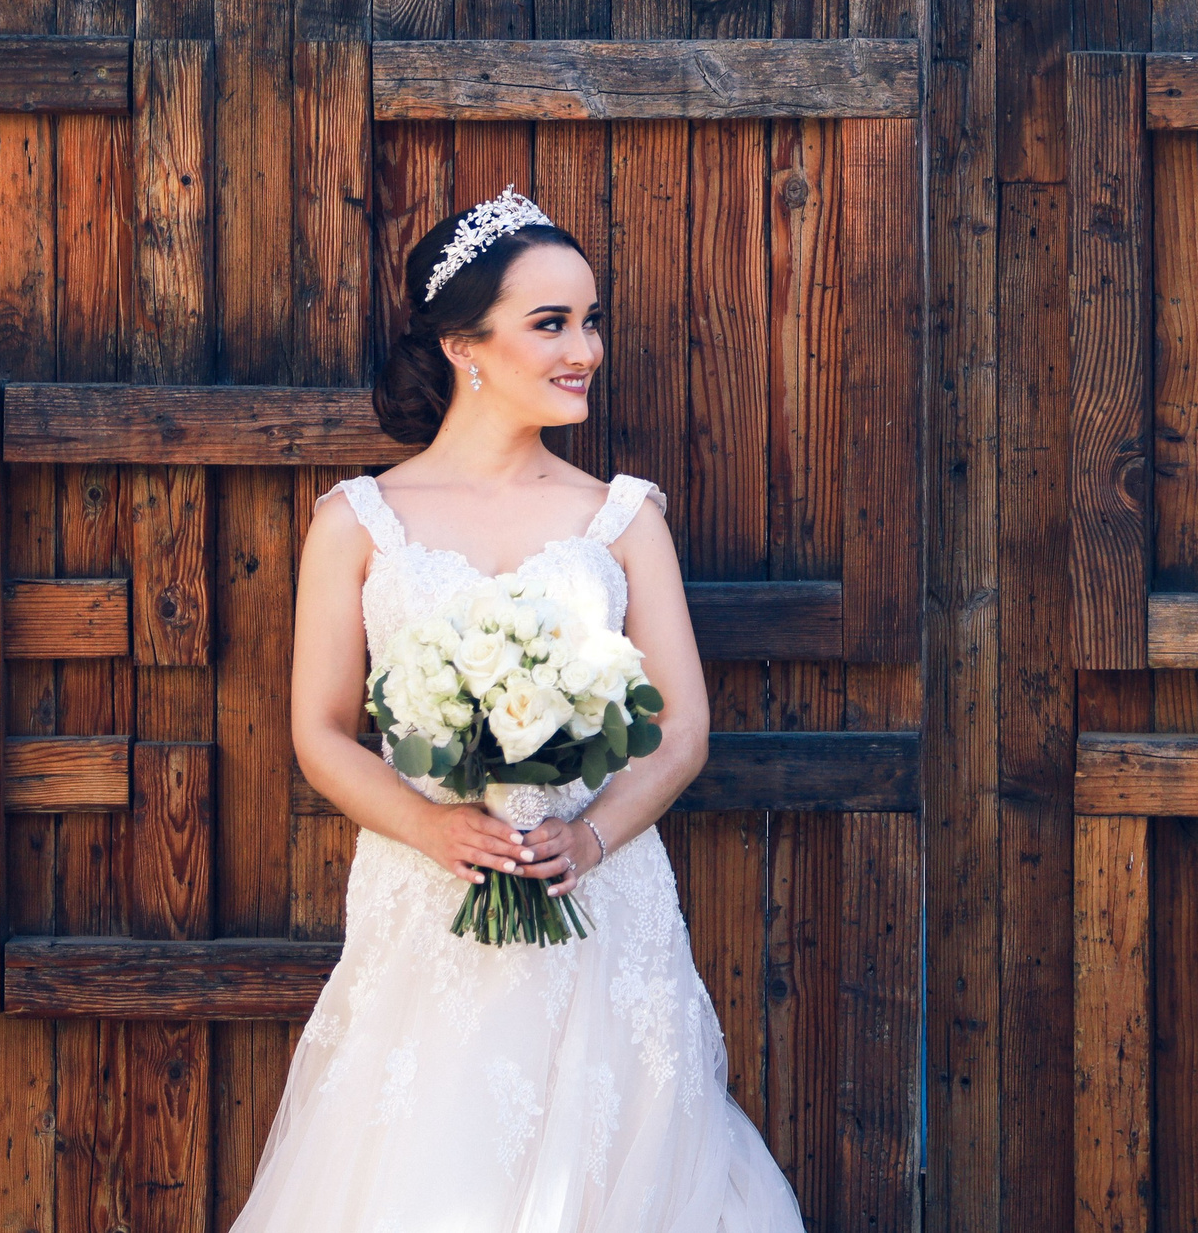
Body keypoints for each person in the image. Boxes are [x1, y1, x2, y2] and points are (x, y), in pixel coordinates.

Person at [232, 188, 805, 1232]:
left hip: (601, 898)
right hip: (429, 898)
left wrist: (587, 838)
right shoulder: (359, 521)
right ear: (464, 343)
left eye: (589, 320)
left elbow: (681, 730)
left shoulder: (620, 518)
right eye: (551, 323)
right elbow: (319, 729)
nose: (583, 346)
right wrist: (435, 824)